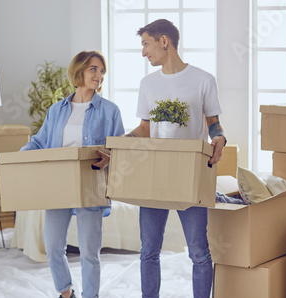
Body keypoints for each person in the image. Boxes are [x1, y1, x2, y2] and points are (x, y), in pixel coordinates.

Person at [125, 19, 227, 298]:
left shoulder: (203, 80)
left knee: (199, 252)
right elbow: (146, 128)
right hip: (154, 175)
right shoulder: (148, 84)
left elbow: (214, 123)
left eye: (146, 43)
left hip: (190, 176)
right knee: (148, 251)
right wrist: (120, 144)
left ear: (164, 41)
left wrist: (219, 137)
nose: (143, 52)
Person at [20, 51, 124, 298]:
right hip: (58, 184)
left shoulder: (110, 110)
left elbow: (121, 148)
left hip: (91, 184)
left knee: (89, 252)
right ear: (79, 71)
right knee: (54, 246)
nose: (99, 75)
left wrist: (112, 157)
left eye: (101, 71)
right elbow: (39, 141)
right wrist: (20, 157)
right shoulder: (57, 110)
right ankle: (65, 292)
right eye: (93, 69)